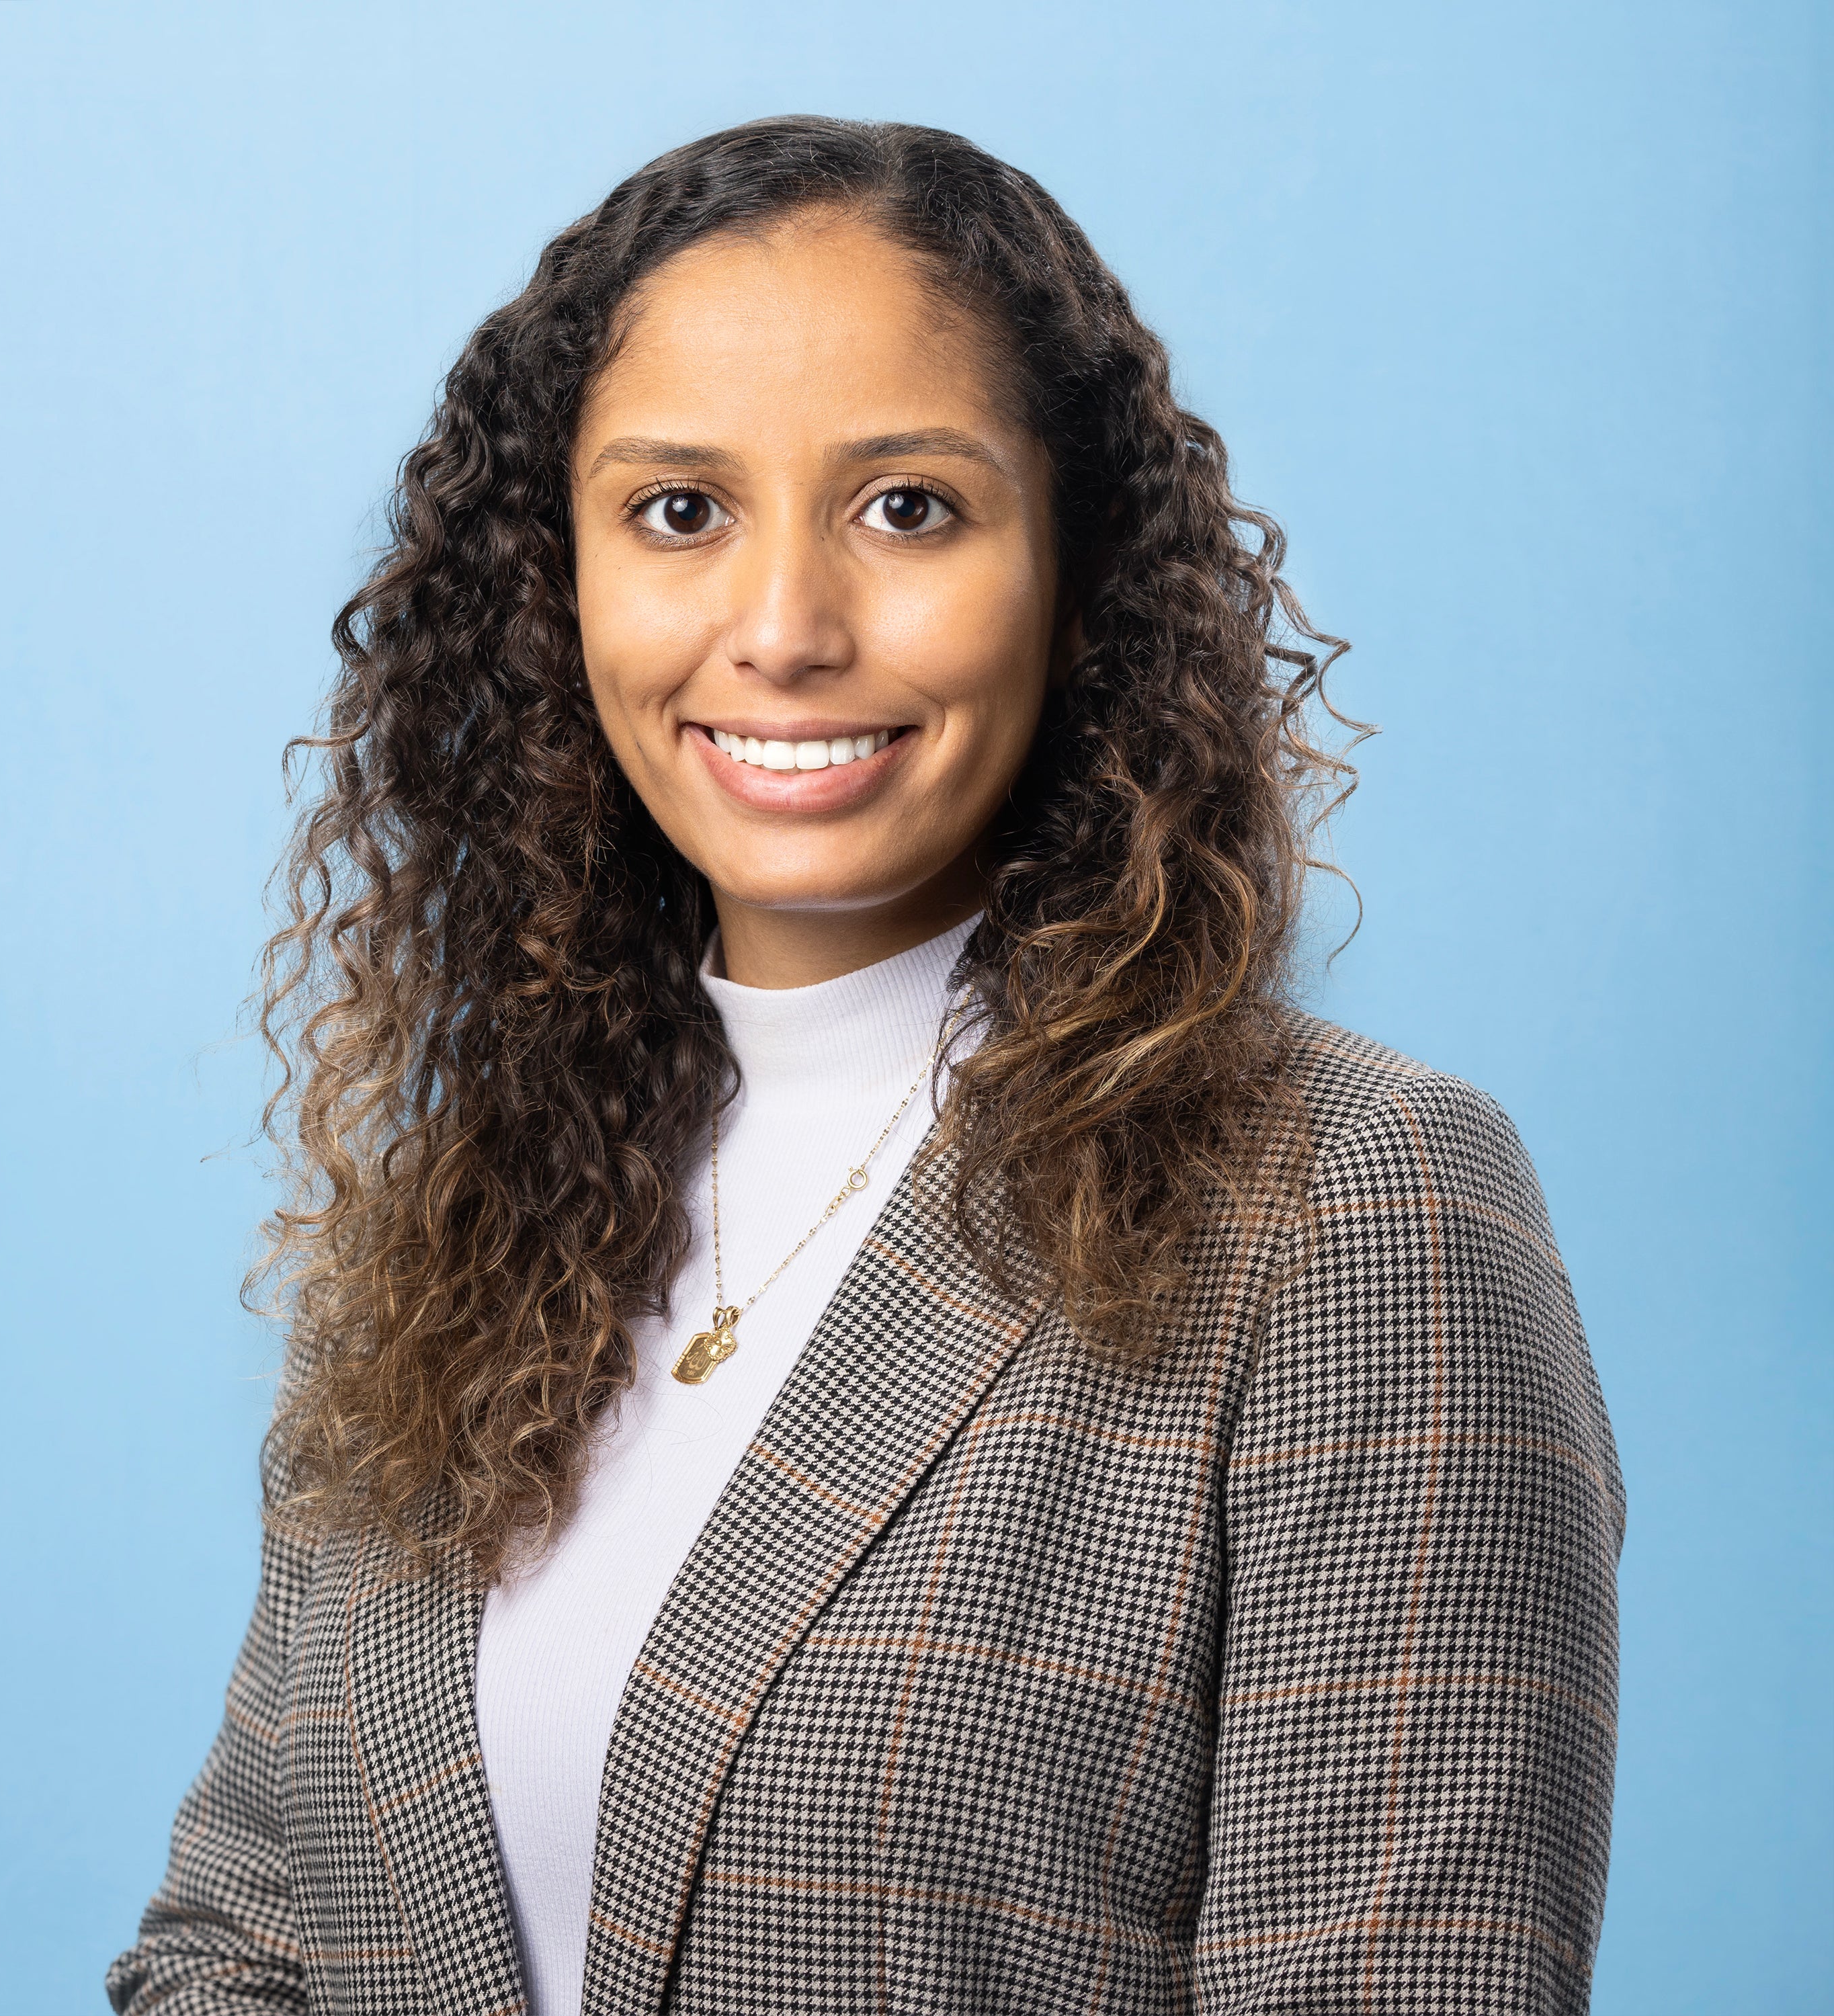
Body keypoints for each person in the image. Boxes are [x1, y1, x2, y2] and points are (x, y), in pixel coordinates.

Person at [109, 117, 1622, 2015]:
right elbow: (241, 1943)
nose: (784, 632)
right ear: (554, 583)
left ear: (1077, 574)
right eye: (681, 512)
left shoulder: (1352, 1207)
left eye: (908, 507)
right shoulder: (464, 1229)